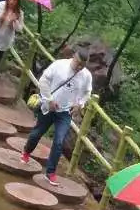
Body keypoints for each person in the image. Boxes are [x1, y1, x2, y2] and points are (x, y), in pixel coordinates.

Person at [19, 49, 92, 183]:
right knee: (37, 133)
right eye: (78, 64)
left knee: (59, 142)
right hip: (49, 107)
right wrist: (49, 99)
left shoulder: (86, 75)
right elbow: (44, 80)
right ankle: (26, 152)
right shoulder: (59, 65)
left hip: (65, 112)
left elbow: (87, 92)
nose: (80, 67)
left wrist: (79, 104)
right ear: (74, 58)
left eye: (83, 65)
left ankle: (50, 172)